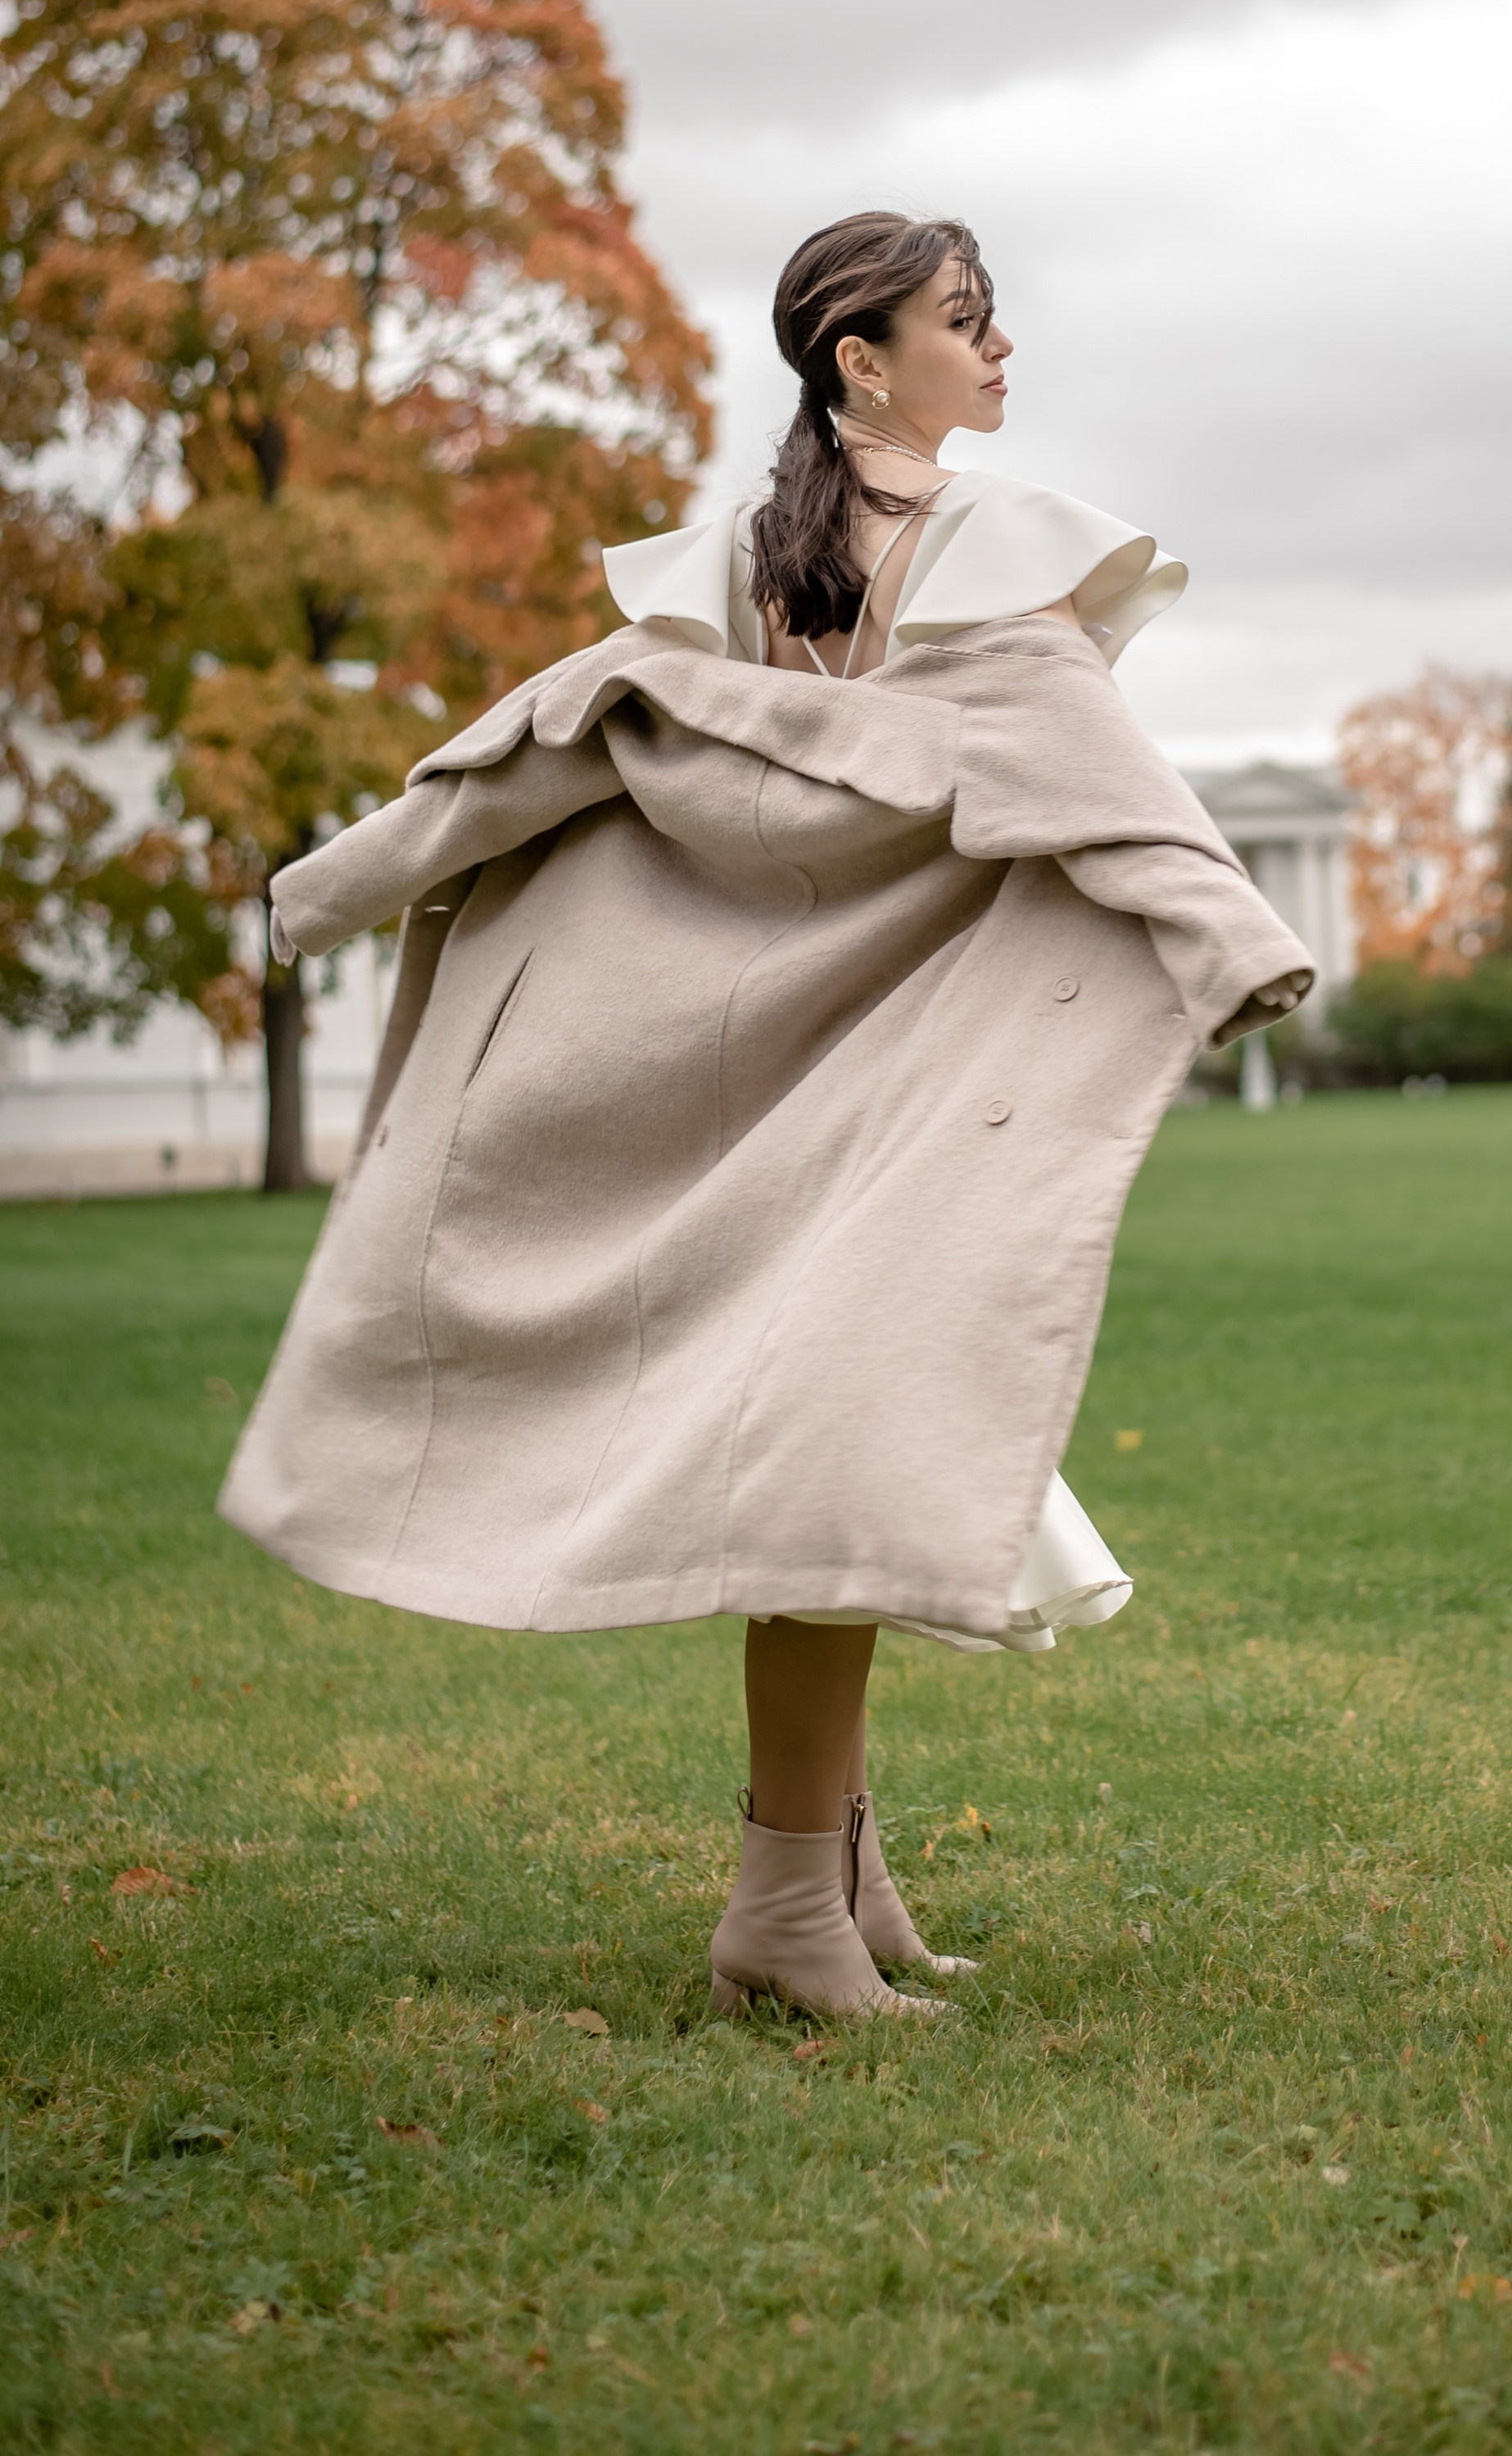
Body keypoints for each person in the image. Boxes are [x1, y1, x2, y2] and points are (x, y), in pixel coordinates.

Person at [223, 211, 1311, 2023]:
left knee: (824, 1452)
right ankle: (785, 1909)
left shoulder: (739, 563)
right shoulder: (981, 551)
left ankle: (840, 1881)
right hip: (880, 1066)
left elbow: (554, 739)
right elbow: (1092, 776)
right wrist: (1235, 938)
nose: (1000, 349)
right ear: (861, 362)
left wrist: (341, 877)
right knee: (827, 1455)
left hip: (758, 1062)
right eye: (965, 320)